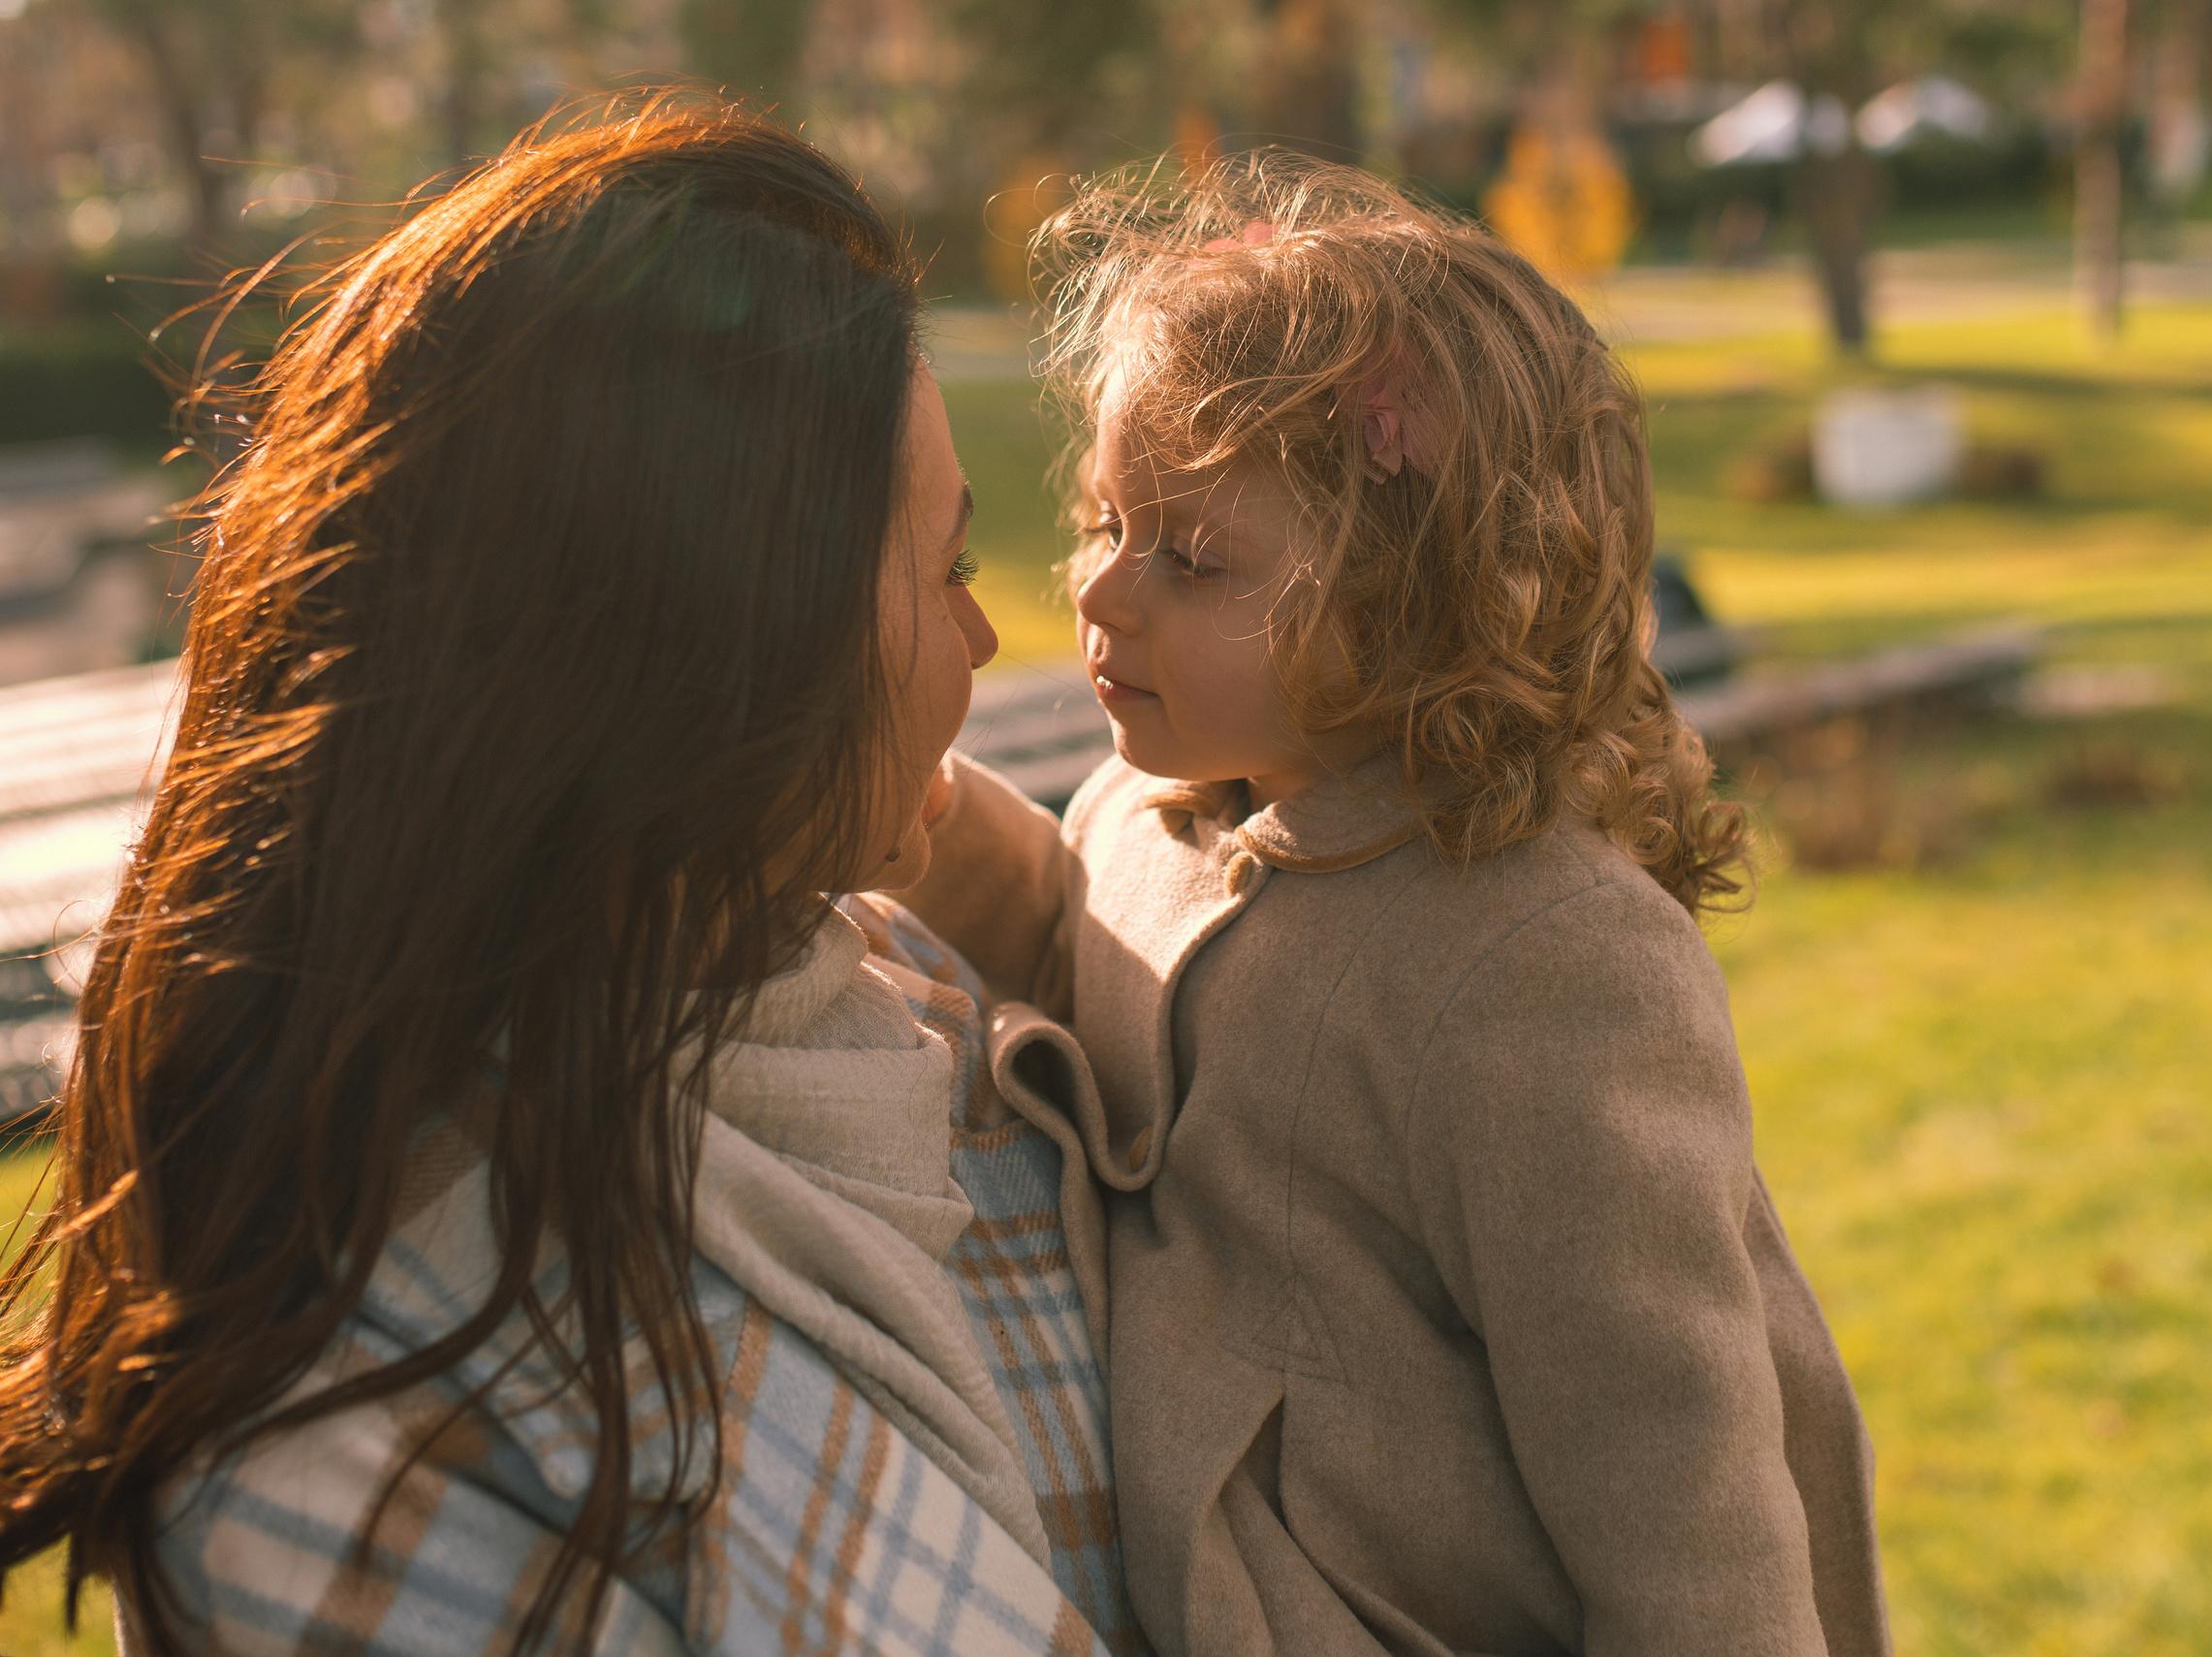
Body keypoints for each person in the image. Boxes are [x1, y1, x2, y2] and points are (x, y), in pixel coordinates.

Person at [0, 104, 1144, 1656]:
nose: (988, 637)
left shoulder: (924, 993)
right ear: (716, 655)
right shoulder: (355, 1420)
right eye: (944, 569)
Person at [904, 155, 1891, 1657]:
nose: (1102, 595)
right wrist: (900, 811)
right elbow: (1093, 951)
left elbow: (1675, 1466)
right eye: (1106, 523)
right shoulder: (1152, 805)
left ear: (1409, 590)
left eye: (1194, 554)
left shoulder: (1542, 955)